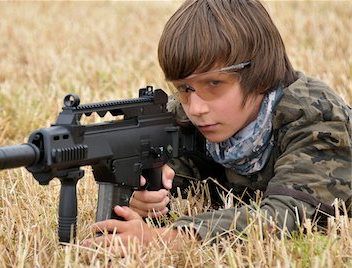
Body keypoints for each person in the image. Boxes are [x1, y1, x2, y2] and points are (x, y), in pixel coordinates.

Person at [83, 0, 351, 248]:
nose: (196, 108)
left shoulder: (316, 117)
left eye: (214, 84)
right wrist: (145, 196)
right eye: (184, 88)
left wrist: (167, 239)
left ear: (259, 72)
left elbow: (286, 216)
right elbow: (174, 179)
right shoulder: (186, 116)